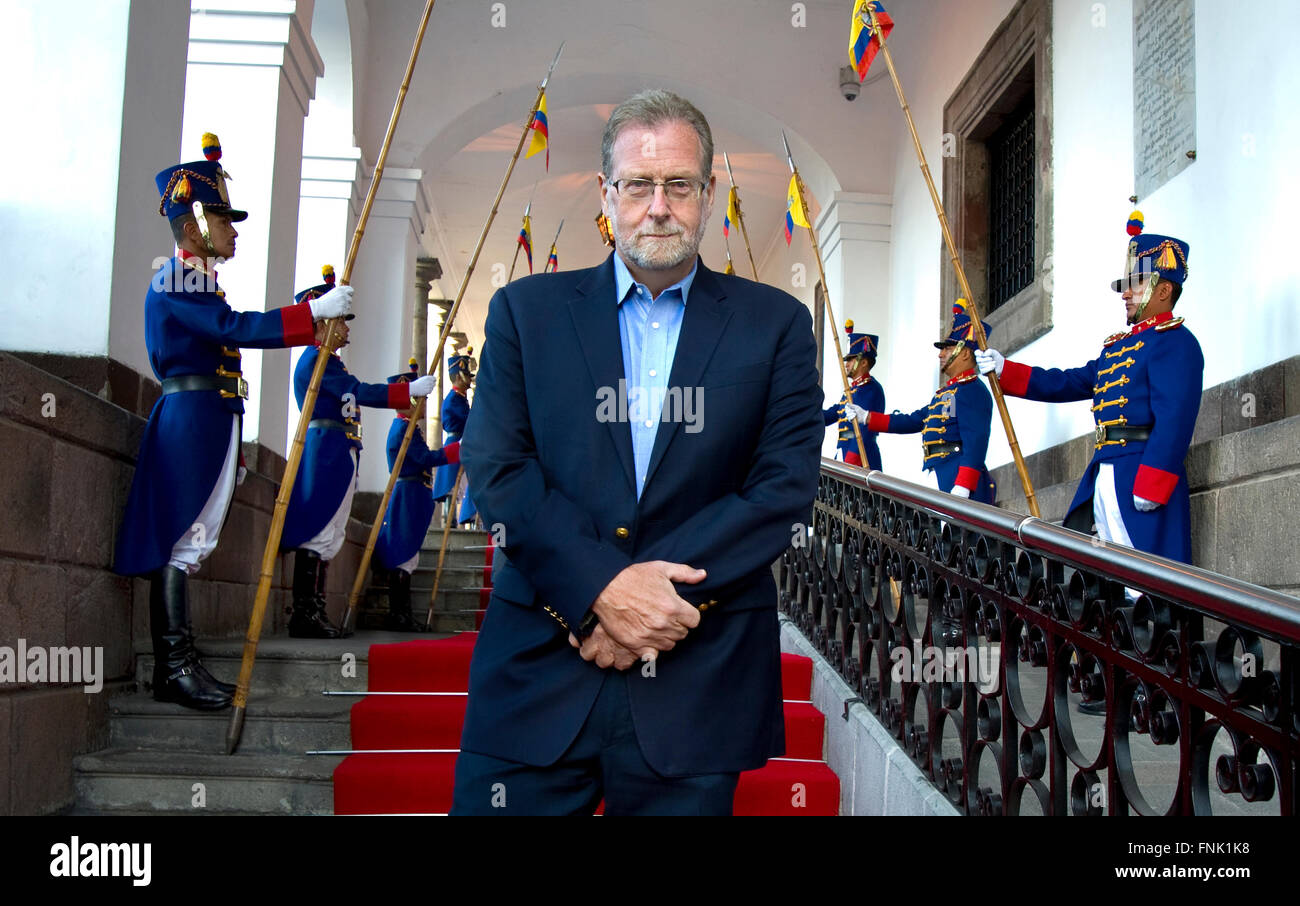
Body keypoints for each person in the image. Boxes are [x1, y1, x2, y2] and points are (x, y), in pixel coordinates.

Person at [452, 89, 823, 815]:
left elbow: (781, 489)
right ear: (606, 193)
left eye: (679, 184)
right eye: (639, 185)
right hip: (538, 669)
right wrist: (599, 592)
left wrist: (648, 602)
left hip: (698, 676)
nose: (659, 206)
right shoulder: (525, 315)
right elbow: (500, 470)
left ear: (708, 192)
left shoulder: (775, 325)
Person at [113, 134, 352, 710]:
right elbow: (232, 329)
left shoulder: (199, 282)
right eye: (223, 218)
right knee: (181, 542)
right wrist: (310, 314)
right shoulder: (176, 280)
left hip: (209, 420)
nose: (233, 229)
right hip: (190, 421)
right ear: (194, 223)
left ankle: (181, 662)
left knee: (192, 541)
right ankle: (174, 666)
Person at [975, 217, 1202, 563]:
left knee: (1146, 575)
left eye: (1135, 283)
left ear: (1163, 289)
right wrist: (1007, 370)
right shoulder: (1116, 348)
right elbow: (1068, 382)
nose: (1125, 293)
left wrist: (1154, 480)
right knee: (1108, 572)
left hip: (1139, 474)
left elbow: (1175, 419)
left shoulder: (1176, 343)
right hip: (1105, 470)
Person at [279, 269, 437, 638]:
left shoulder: (330, 361)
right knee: (318, 531)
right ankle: (305, 614)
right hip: (326, 453)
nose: (347, 330)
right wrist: (405, 391)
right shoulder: (319, 361)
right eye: (342, 322)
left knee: (330, 532)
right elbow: (358, 391)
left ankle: (313, 610)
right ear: (322, 323)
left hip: (338, 451)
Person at [845, 299, 995, 502]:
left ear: (966, 353)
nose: (941, 354)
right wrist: (868, 417)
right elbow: (914, 420)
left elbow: (976, 442)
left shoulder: (972, 390)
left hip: (957, 480)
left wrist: (963, 485)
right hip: (940, 473)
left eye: (948, 349)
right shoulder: (949, 393)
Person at [374, 360, 461, 632]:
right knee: (403, 553)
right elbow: (423, 457)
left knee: (408, 555)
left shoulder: (410, 428)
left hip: (413, 494)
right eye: (418, 400)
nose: (422, 405)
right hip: (407, 495)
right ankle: (397, 614)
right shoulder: (403, 429)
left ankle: (403, 613)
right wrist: (456, 450)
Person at [823, 320, 884, 469]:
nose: (847, 364)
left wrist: (851, 460)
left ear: (863, 363)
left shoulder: (871, 389)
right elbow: (833, 413)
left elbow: (865, 430)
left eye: (851, 360)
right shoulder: (851, 391)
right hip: (843, 452)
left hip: (859, 458)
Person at [431, 350, 477, 526]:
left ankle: (465, 518)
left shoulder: (462, 398)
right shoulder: (452, 400)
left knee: (465, 484)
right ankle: (450, 521)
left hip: (464, 442)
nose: (469, 379)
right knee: (451, 485)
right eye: (465, 375)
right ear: (458, 377)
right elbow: (467, 420)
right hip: (455, 443)